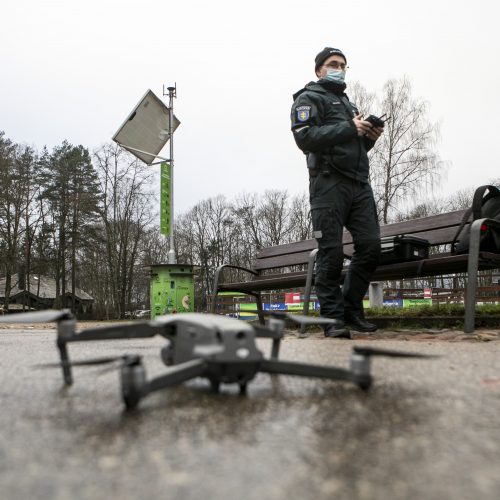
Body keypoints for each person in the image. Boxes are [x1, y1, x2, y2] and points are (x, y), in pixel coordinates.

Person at [290, 47, 383, 337]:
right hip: (327, 184)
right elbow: (305, 138)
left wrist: (369, 138)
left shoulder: (347, 103)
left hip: (358, 184)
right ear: (319, 70)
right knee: (330, 255)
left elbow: (351, 145)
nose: (339, 69)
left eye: (343, 65)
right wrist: (348, 128)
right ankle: (332, 320)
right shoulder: (308, 99)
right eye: (333, 64)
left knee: (370, 247)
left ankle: (351, 309)